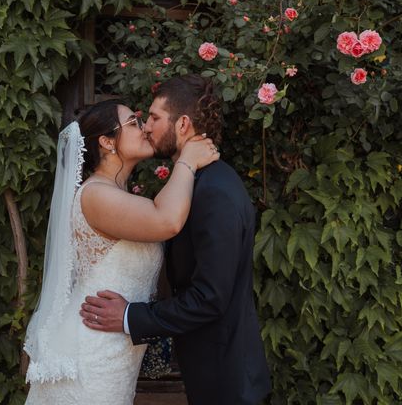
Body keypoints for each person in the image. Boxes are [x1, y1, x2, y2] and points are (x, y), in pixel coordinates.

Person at [80, 75, 272, 404]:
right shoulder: (191, 186)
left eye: (154, 118)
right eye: (140, 121)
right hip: (201, 368)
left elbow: (210, 297)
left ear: (182, 124)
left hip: (227, 378)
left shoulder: (214, 192)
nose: (146, 128)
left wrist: (131, 317)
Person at [23, 98, 219, 405]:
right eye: (133, 123)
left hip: (115, 351)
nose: (144, 129)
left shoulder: (114, 193)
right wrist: (187, 161)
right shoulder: (97, 195)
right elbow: (167, 220)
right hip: (91, 354)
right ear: (106, 141)